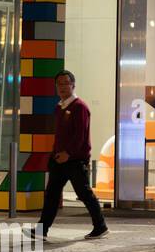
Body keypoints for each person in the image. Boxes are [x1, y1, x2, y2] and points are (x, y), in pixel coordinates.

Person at [35, 70, 108, 241]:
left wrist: (69, 154)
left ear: (73, 85)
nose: (62, 87)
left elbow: (80, 136)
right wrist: (54, 155)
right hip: (59, 160)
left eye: (65, 83)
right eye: (59, 84)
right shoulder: (59, 107)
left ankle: (100, 226)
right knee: (51, 194)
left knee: (84, 194)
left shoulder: (79, 107)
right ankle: (41, 230)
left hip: (75, 160)